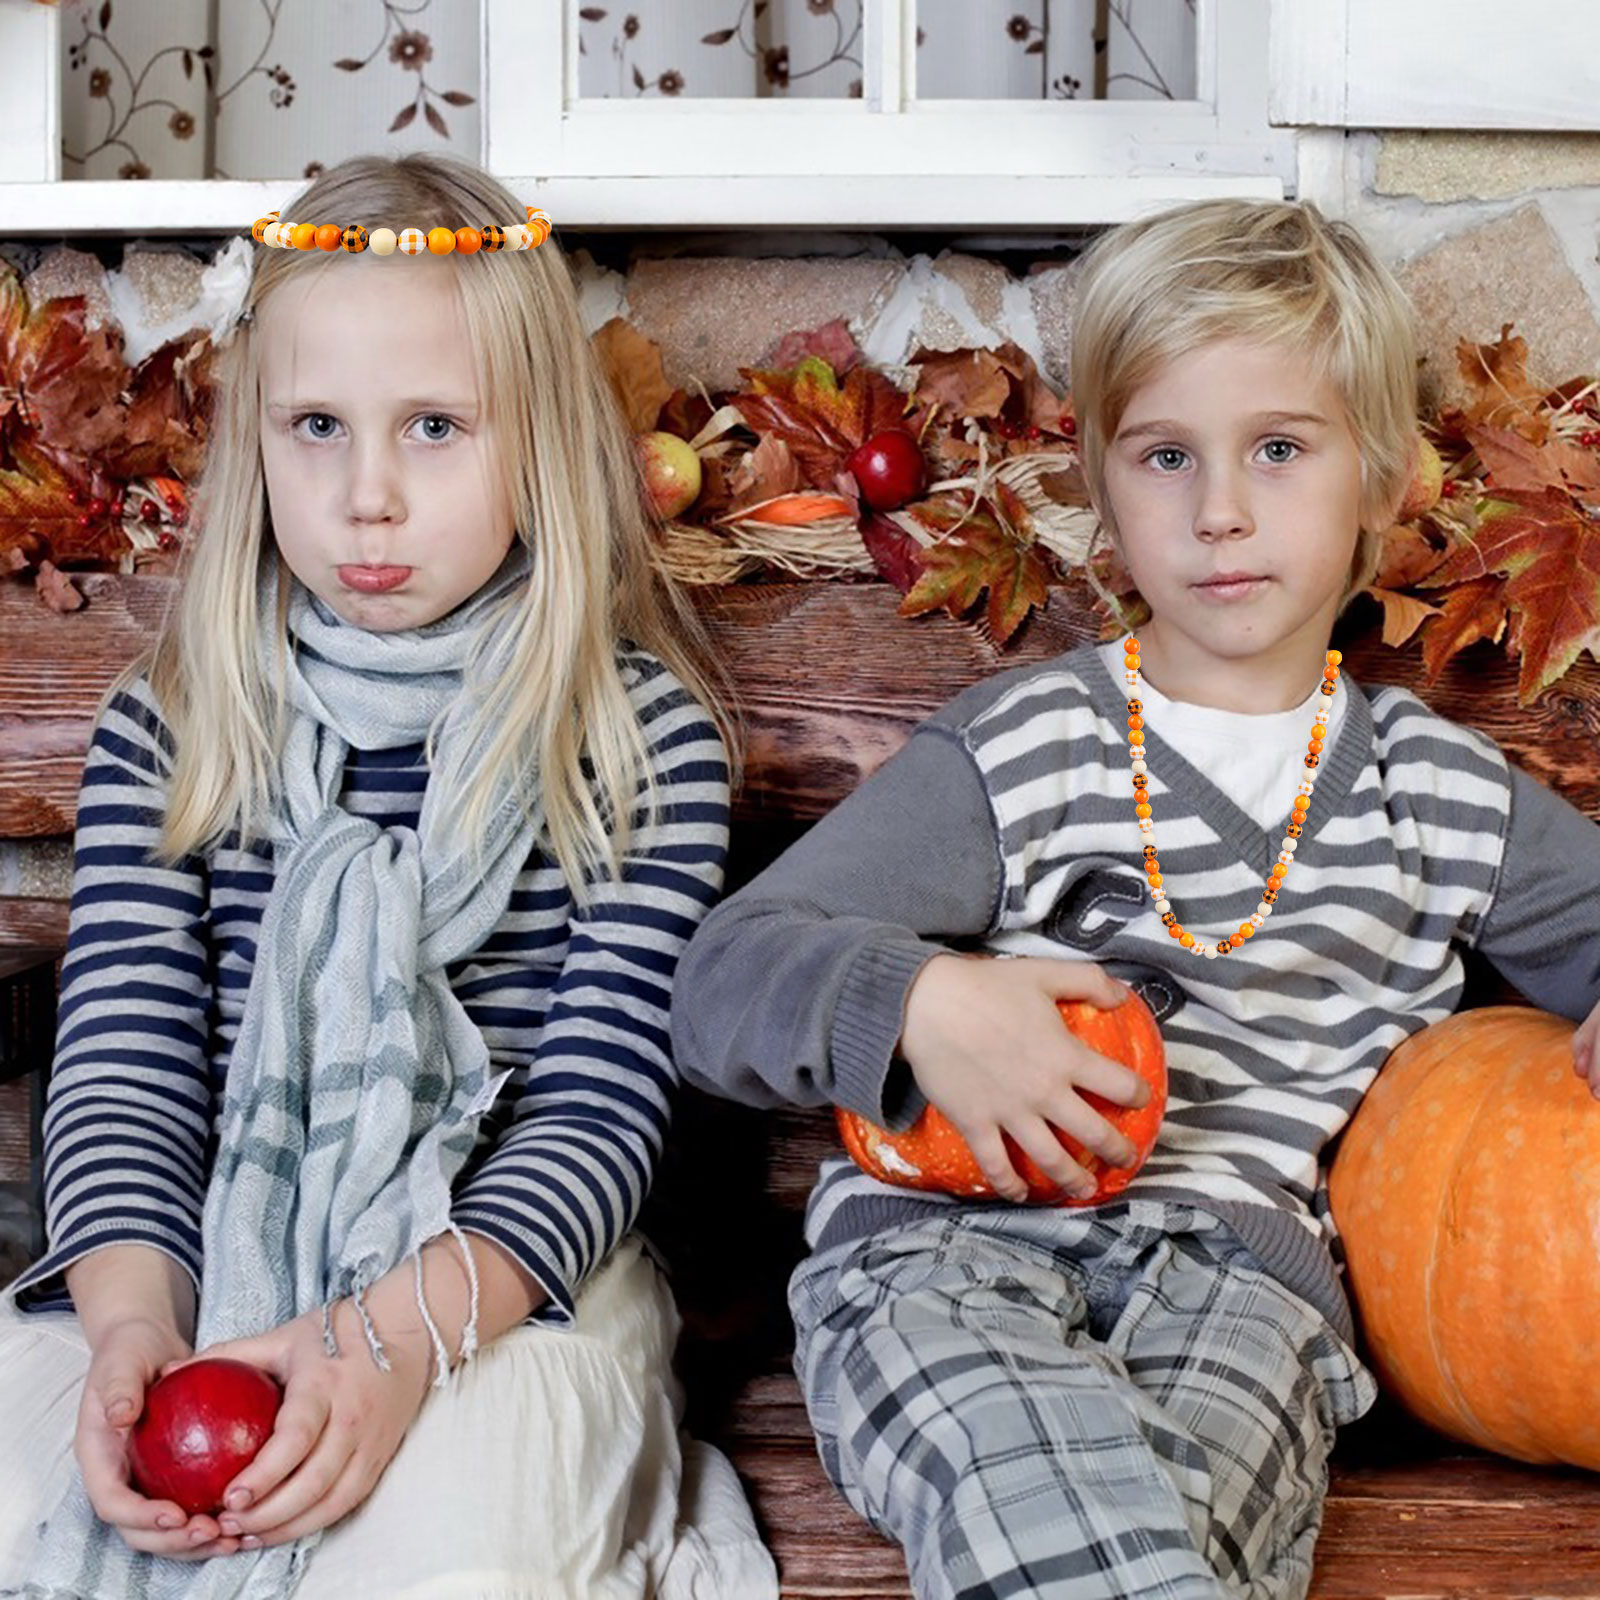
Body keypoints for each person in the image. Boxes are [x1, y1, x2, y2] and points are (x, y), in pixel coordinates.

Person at [668, 197, 1600, 1600]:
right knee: (1031, 1480)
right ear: (1102, 490)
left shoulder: (1445, 800)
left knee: (1140, 1551)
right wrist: (919, 1003)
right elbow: (724, 979)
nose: (1219, 509)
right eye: (1167, 456)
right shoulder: (1022, 750)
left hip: (1245, 1296)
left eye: (1278, 449)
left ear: (1382, 480)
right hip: (945, 1257)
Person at [0, 152, 777, 1600]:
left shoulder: (628, 738)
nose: (367, 496)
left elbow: (599, 1104)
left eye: (433, 427)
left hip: (517, 1284)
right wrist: (133, 1335)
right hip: (208, 1258)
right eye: (317, 427)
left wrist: (385, 1341)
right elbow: (124, 1076)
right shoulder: (180, 727)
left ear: (538, 442)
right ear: (256, 446)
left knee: (449, 1558)